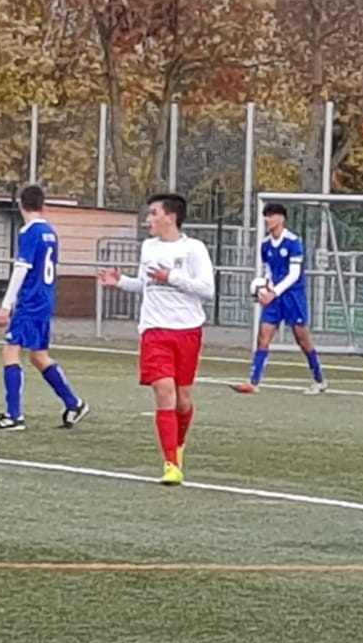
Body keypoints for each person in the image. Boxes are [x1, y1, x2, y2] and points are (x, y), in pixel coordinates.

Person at [97, 193, 215, 486]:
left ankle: (178, 445)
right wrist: (121, 282)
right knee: (164, 391)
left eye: (153, 213)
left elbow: (207, 289)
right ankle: (171, 464)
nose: (148, 219)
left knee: (183, 401)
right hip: (154, 331)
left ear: (170, 217)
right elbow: (145, 285)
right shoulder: (148, 247)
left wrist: (172, 277)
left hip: (187, 331)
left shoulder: (194, 249)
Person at [0, 185, 88, 432]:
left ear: (21, 204)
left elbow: (22, 268)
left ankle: (14, 416)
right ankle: (74, 404)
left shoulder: (30, 232)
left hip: (30, 301)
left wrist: (6, 305)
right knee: (38, 356)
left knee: (10, 351)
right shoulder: (50, 232)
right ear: (43, 204)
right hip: (45, 298)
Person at [232, 202, 327, 395]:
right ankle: (253, 382)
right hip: (274, 297)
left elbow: (294, 274)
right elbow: (268, 270)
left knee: (303, 339)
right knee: (263, 337)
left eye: (271, 216)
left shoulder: (293, 242)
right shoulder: (265, 245)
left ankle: (319, 379)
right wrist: (264, 289)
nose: (267, 220)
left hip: (293, 296)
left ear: (281, 219)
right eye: (266, 216)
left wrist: (273, 292)